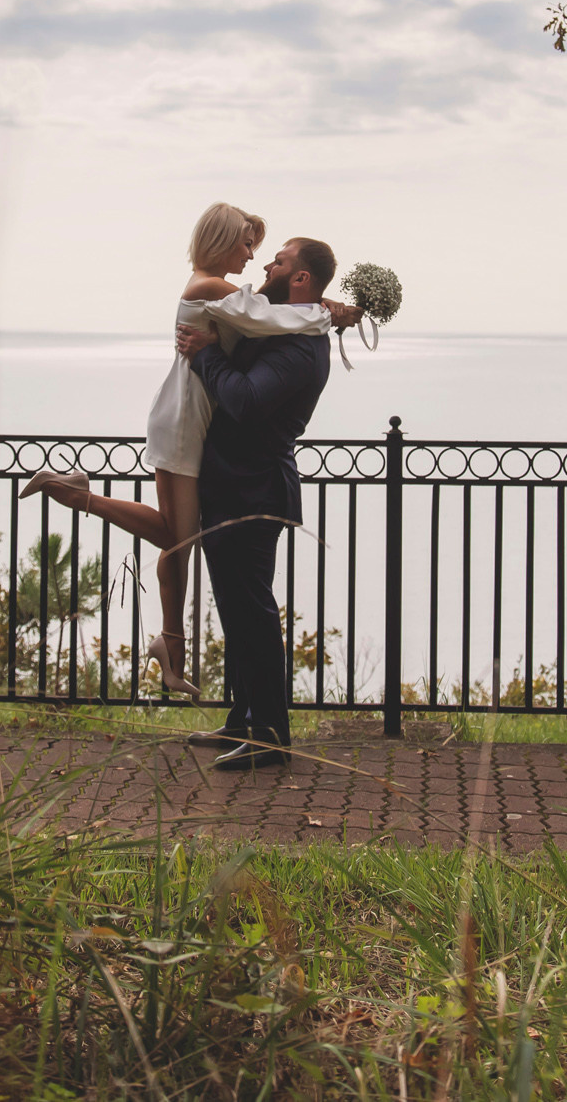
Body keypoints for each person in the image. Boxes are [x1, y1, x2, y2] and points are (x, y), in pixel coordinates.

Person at [22, 205, 354, 696]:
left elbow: (272, 308)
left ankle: (170, 644)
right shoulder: (207, 287)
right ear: (221, 241)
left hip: (189, 416)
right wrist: (328, 311)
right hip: (182, 418)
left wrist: (327, 304)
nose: (252, 256)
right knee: (178, 538)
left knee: (180, 539)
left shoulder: (218, 288)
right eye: (246, 244)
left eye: (260, 250)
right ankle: (77, 494)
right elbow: (272, 318)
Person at [176, 235, 338, 772]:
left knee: (253, 614)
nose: (267, 263)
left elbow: (245, 402)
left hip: (253, 488)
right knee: (237, 609)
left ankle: (269, 736)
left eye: (281, 259)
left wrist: (206, 358)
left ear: (299, 279)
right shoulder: (289, 323)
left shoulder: (299, 347)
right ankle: (243, 719)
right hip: (233, 485)